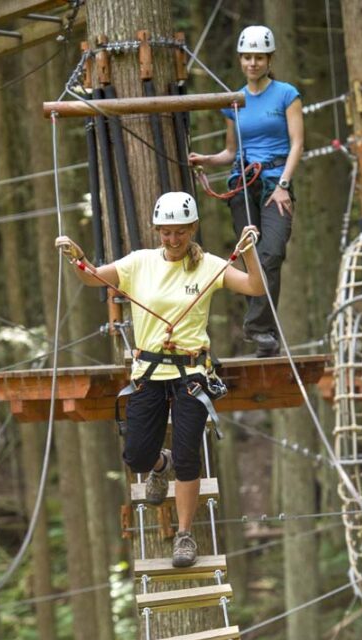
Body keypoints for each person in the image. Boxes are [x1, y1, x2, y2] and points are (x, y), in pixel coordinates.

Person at [56, 191, 261, 568]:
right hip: (148, 373)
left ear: (192, 229)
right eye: (165, 232)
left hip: (191, 375)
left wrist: (248, 250)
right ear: (157, 231)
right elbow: (92, 279)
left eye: (180, 232)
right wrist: (78, 258)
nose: (172, 239)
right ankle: (158, 465)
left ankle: (184, 536)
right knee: (136, 454)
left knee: (188, 457)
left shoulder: (209, 266)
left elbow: (255, 287)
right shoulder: (139, 264)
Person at [189, 24, 304, 358]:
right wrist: (207, 160)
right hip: (243, 183)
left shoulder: (286, 94)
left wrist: (283, 184)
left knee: (273, 251)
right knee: (251, 254)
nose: (253, 63)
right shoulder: (234, 101)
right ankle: (263, 334)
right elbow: (230, 151)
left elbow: (297, 143)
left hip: (274, 182)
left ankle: (259, 328)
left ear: (269, 59)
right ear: (241, 60)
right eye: (247, 57)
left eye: (259, 57)